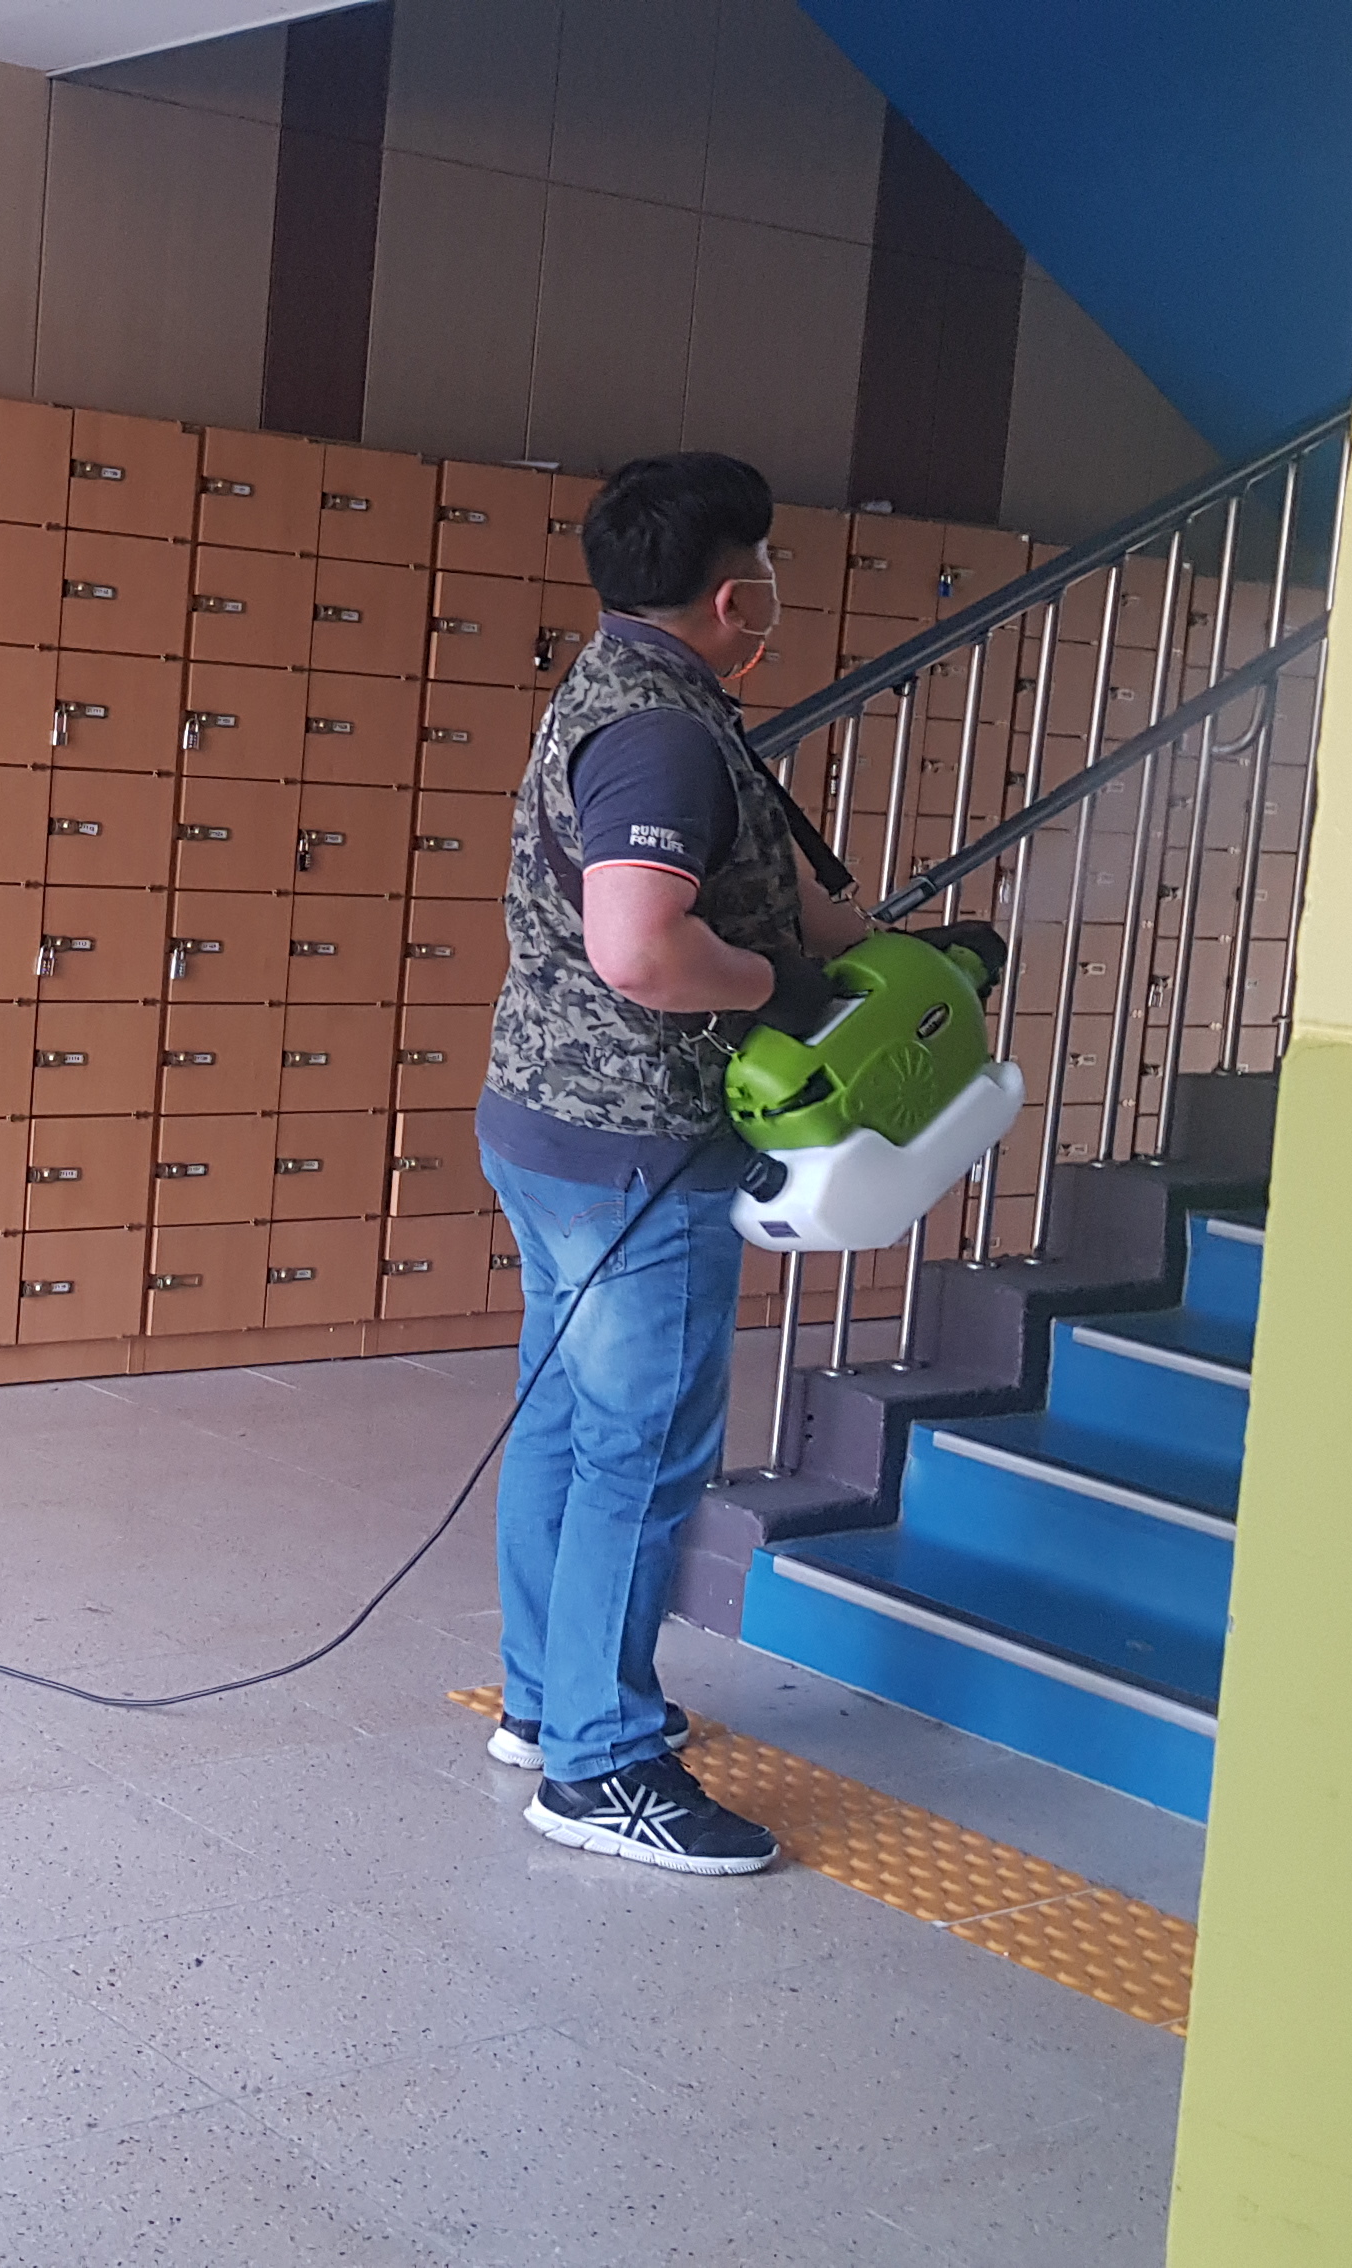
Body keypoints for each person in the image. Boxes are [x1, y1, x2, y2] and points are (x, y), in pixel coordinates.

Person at [475, 451, 876, 1875]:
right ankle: (600, 1766)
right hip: (637, 1147)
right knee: (639, 1451)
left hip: (551, 1125)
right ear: (728, 593)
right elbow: (642, 949)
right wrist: (778, 990)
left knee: (568, 1419)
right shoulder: (660, 732)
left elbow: (764, 895)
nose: (773, 592)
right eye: (764, 567)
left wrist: (872, 952)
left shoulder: (626, 687)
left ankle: (547, 1699)